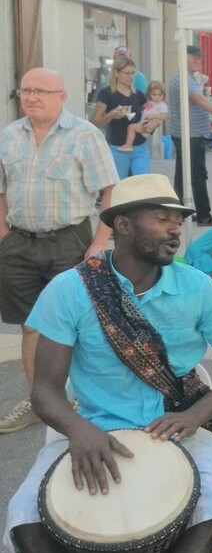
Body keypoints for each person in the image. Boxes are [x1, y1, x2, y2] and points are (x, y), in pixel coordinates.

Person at [4, 173, 212, 553]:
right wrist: (77, 429)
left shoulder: (197, 287)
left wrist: (197, 414)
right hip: (93, 429)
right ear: (122, 225)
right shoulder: (71, 290)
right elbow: (45, 391)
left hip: (177, 428)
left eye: (178, 220)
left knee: (210, 513)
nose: (175, 229)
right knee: (24, 522)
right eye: (162, 219)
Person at [0, 68, 118, 435]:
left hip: (69, 241)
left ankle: (83, 401)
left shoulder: (84, 135)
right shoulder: (9, 136)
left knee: (78, 325)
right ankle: (39, 402)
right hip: (19, 243)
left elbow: (110, 190)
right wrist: (3, 235)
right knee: (31, 325)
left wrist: (99, 242)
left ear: (62, 96)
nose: (31, 97)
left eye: (41, 91)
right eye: (26, 91)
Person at [167, 46, 212, 226]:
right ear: (183, 58)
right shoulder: (183, 79)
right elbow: (198, 99)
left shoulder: (187, 78)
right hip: (190, 134)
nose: (199, 61)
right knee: (198, 175)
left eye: (200, 58)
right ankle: (204, 215)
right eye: (194, 57)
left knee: (183, 174)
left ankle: (178, 213)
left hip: (185, 132)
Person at [92, 55, 157, 177]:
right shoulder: (106, 94)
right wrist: (110, 116)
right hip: (118, 148)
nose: (131, 77)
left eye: (133, 73)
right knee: (120, 185)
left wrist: (154, 123)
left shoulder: (138, 94)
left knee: (142, 183)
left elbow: (152, 114)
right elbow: (95, 122)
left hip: (140, 147)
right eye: (127, 73)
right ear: (116, 73)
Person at [119, 81, 168, 154]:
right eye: (154, 94)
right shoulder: (149, 102)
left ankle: (128, 145)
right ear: (149, 94)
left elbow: (165, 116)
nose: (157, 97)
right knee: (131, 121)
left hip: (148, 123)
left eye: (160, 95)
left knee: (131, 127)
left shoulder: (162, 104)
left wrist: (153, 116)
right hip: (142, 121)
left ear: (164, 95)